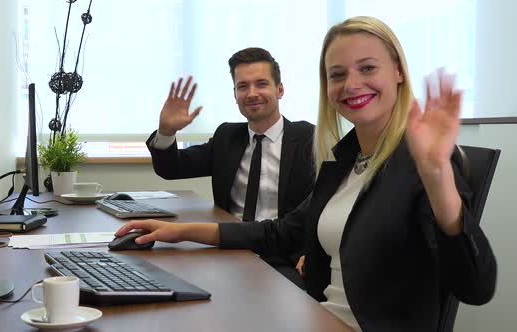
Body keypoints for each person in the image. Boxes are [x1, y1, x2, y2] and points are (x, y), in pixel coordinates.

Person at [120, 17, 497, 331]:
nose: (351, 84)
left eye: (367, 68)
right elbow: (280, 231)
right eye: (337, 74)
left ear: (398, 71)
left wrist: (436, 176)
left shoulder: (421, 165)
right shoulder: (342, 161)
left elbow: (476, 287)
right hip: (312, 312)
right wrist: (177, 231)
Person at [146, 47, 316, 288]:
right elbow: (171, 168)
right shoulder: (228, 136)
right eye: (243, 86)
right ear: (235, 94)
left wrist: (313, 251)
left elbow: (323, 206)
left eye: (261, 84)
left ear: (280, 90)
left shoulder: (310, 139)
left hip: (283, 256)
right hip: (226, 249)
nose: (252, 93)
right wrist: (166, 131)